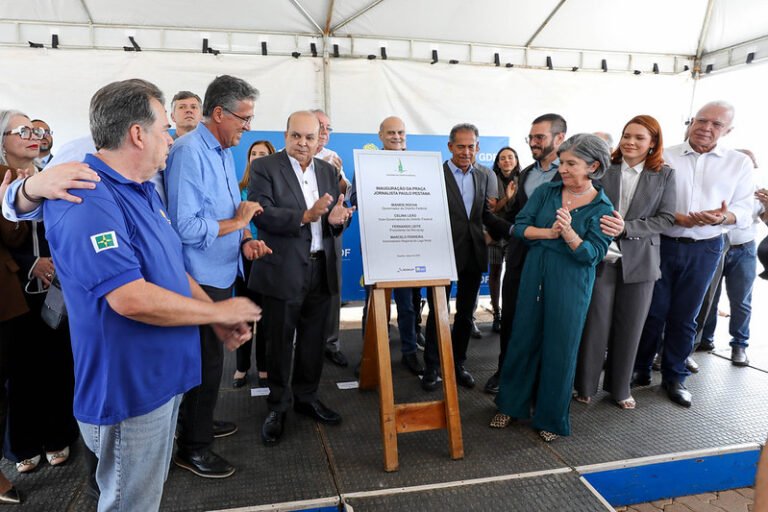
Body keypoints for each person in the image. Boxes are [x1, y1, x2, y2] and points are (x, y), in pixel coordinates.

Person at [43, 78, 260, 512]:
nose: (172, 138)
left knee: (145, 496)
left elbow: (173, 268)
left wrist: (214, 312)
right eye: (165, 128)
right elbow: (130, 298)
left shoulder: (143, 189)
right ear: (137, 134)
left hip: (162, 381)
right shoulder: (87, 197)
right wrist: (217, 312)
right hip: (130, 392)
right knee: (130, 503)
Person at [164, 75, 267, 478]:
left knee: (210, 363)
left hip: (223, 269)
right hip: (199, 277)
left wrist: (245, 238)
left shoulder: (223, 150)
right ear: (220, 113)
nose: (248, 127)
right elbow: (186, 227)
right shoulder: (189, 152)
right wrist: (238, 223)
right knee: (204, 365)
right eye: (244, 118)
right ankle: (194, 447)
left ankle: (200, 423)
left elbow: (229, 209)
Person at [491, 133, 614, 442]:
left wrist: (570, 234)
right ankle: (510, 405)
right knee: (522, 339)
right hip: (535, 274)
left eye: (571, 164)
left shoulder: (602, 207)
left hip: (571, 282)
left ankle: (551, 418)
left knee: (561, 349)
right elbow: (520, 226)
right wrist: (549, 233)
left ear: (593, 166)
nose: (563, 169)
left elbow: (592, 255)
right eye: (562, 162)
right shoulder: (546, 192)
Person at [633, 101, 754, 408]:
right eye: (701, 120)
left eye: (716, 124)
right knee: (653, 311)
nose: (706, 128)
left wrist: (722, 217)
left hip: (706, 247)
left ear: (728, 130)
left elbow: (744, 208)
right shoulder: (665, 155)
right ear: (691, 122)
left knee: (686, 315)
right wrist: (676, 217)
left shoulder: (738, 163)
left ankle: (675, 376)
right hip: (662, 243)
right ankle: (640, 368)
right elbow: (645, 200)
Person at [249, 111, 355, 446]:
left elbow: (334, 219)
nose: (303, 143)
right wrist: (305, 216)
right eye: (296, 136)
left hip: (321, 267)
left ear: (319, 138)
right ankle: (278, 406)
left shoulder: (328, 170)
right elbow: (261, 214)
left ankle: (307, 397)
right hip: (282, 268)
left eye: (310, 137)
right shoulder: (265, 168)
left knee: (313, 341)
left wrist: (338, 221)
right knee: (279, 342)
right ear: (285, 135)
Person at [574, 115, 676, 409]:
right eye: (626, 135)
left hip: (641, 259)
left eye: (639, 138)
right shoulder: (605, 169)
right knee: (595, 325)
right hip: (601, 257)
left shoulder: (665, 175)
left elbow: (666, 218)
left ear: (653, 143)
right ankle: (585, 385)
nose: (630, 142)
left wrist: (627, 228)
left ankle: (620, 388)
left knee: (630, 327)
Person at [0, 110, 80, 474]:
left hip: (57, 286)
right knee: (19, 370)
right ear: (3, 139)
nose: (33, 136)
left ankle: (58, 435)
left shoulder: (51, 173)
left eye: (36, 131)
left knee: (57, 361)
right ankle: (23, 444)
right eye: (23, 131)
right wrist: (31, 263)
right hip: (13, 290)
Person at [421, 123, 510, 392]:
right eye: (460, 146)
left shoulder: (482, 175)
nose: (466, 151)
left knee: (465, 315)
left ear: (478, 148)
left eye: (471, 146)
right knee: (438, 312)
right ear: (450, 147)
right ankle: (432, 367)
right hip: (441, 252)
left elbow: (485, 215)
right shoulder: (433, 174)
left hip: (472, 253)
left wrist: (512, 230)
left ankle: (457, 364)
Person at [485, 114, 567, 395]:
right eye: (530, 137)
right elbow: (514, 215)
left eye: (539, 137)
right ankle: (505, 371)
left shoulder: (571, 172)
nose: (533, 143)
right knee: (510, 317)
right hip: (519, 258)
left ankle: (540, 381)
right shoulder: (527, 174)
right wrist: (492, 228)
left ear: (559, 138)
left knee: (546, 322)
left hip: (553, 259)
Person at [352, 116, 424, 376]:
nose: (396, 137)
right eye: (391, 132)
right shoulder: (366, 163)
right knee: (373, 303)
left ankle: (409, 352)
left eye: (401, 132)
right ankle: (369, 355)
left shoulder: (417, 165)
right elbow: (355, 198)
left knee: (407, 304)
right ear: (380, 135)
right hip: (378, 244)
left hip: (407, 244)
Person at [697, 149, 760, 367]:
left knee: (741, 299)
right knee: (708, 297)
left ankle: (739, 345)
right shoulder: (720, 186)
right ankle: (704, 339)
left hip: (744, 249)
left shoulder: (758, 190)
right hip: (715, 246)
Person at [233, 140, 276, 388]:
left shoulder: (277, 189)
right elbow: (238, 224)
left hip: (270, 257)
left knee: (266, 316)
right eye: (254, 153)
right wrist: (248, 240)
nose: (257, 157)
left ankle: (264, 366)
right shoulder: (239, 188)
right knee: (244, 313)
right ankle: (241, 366)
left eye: (263, 154)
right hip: (246, 258)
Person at [487, 146, 521, 333]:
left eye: (510, 157)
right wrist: (506, 198)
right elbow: (491, 210)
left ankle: (511, 313)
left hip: (514, 235)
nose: (507, 161)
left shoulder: (524, 179)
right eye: (502, 158)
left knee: (513, 274)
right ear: (498, 163)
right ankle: (496, 314)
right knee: (494, 273)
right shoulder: (491, 179)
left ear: (516, 160)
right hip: (494, 234)